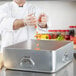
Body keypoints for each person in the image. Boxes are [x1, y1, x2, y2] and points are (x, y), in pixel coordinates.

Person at [0, 0, 48, 69]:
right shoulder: (3, 8)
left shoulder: (34, 8)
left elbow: (44, 26)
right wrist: (24, 22)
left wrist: (43, 23)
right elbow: (5, 24)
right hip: (7, 55)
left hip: (30, 54)